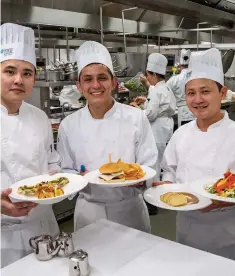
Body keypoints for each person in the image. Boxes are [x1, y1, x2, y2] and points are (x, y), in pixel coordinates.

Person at [158, 48, 235, 263]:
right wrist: (165, 186)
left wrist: (228, 202)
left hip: (225, 234)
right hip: (185, 228)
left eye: (205, 91)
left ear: (222, 93)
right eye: (191, 93)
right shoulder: (180, 134)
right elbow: (169, 171)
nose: (198, 99)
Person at [57, 41, 158, 232]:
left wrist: (140, 180)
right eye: (88, 79)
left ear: (114, 83)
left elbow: (149, 164)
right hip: (88, 212)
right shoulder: (68, 125)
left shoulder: (136, 117)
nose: (95, 85)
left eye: (102, 77)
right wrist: (79, 179)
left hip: (130, 211)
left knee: (136, 261)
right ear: (79, 86)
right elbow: (66, 171)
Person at [0, 23, 60, 267]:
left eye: (27, 73)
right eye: (10, 71)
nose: (18, 80)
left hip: (44, 225)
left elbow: (53, 163)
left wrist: (59, 181)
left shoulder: (39, 117)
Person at [137, 53, 176, 180]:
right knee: (162, 159)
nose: (147, 79)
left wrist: (137, 112)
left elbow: (151, 114)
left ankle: (153, 188)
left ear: (154, 74)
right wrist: (146, 101)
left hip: (157, 130)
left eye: (148, 75)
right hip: (165, 127)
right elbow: (161, 106)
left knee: (155, 162)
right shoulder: (166, 88)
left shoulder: (156, 91)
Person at [167, 49, 195, 127]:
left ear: (180, 65)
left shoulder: (174, 79)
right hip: (196, 111)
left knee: (184, 135)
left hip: (182, 113)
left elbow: (164, 91)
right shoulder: (196, 78)